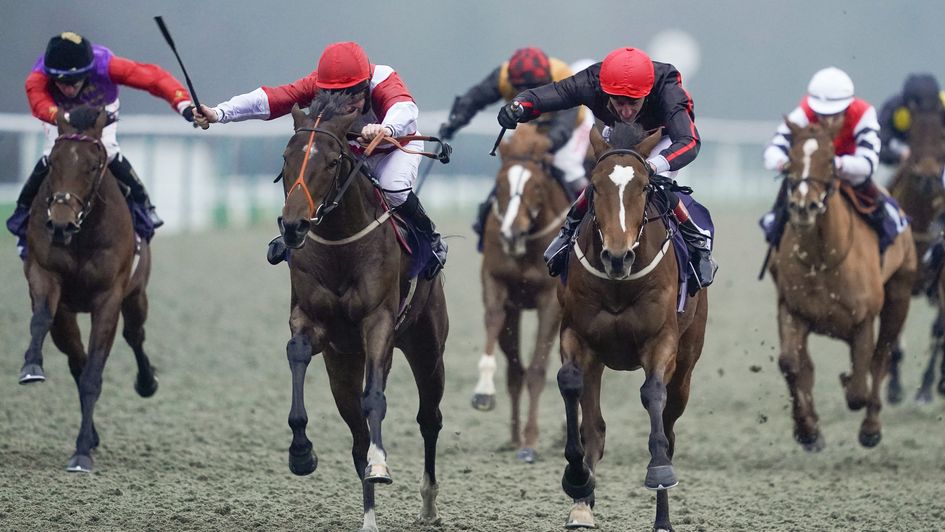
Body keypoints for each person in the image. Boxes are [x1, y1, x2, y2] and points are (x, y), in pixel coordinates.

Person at [192, 41, 446, 277]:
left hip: (394, 150)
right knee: (319, 179)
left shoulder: (383, 78)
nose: (344, 105)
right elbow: (270, 99)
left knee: (393, 189)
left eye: (352, 96)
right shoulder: (316, 84)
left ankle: (430, 238)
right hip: (353, 152)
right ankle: (294, 233)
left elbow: (404, 108)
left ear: (365, 85)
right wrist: (219, 113)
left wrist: (386, 128)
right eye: (335, 96)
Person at [496, 46, 717, 292]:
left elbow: (689, 142)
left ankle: (696, 242)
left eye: (633, 102)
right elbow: (554, 93)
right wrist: (520, 105)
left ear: (647, 92)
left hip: (660, 138)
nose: (626, 111)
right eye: (619, 102)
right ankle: (568, 231)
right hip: (617, 133)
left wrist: (652, 166)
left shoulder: (667, 88)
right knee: (605, 179)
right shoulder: (592, 81)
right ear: (605, 90)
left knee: (654, 183)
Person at [6, 31, 196, 257]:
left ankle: (144, 207)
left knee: (109, 150)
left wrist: (183, 104)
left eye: (73, 82)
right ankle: (22, 214)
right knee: (52, 154)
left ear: (87, 73)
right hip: (59, 111)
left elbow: (154, 78)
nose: (68, 89)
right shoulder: (38, 77)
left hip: (100, 106)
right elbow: (39, 103)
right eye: (61, 83)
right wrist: (63, 116)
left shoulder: (107, 65)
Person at [438, 47, 590, 236]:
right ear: (511, 81)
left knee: (567, 166)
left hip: (573, 124)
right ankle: (486, 214)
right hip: (534, 122)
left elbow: (564, 127)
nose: (528, 94)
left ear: (547, 81)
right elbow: (474, 99)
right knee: (513, 165)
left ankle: (585, 218)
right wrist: (455, 122)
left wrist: (544, 147)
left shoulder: (563, 75)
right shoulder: (502, 76)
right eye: (520, 89)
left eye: (536, 87)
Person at [762, 67, 895, 249]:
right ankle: (774, 227)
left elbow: (868, 163)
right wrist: (787, 164)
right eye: (822, 115)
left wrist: (835, 164)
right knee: (787, 197)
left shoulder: (864, 113)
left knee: (883, 212)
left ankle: (888, 236)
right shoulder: (804, 112)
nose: (828, 122)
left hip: (851, 175)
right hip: (812, 176)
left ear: (847, 106)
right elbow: (772, 150)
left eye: (835, 115)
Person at [877, 73, 945, 166]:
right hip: (904, 157)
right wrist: (898, 155)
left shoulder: (942, 108)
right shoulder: (894, 109)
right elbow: (877, 144)